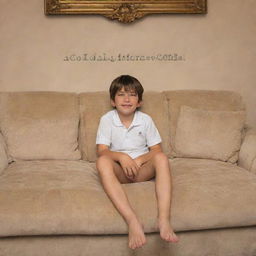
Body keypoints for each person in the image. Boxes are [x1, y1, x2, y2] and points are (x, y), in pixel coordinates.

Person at [96, 75, 179, 250]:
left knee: (162, 158)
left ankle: (163, 220)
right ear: (113, 101)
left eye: (132, 95)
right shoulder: (107, 119)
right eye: (121, 94)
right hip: (120, 172)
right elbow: (102, 151)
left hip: (142, 171)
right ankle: (132, 221)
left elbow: (157, 150)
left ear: (139, 101)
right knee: (103, 161)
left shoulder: (145, 120)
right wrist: (121, 157)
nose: (127, 99)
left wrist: (139, 160)